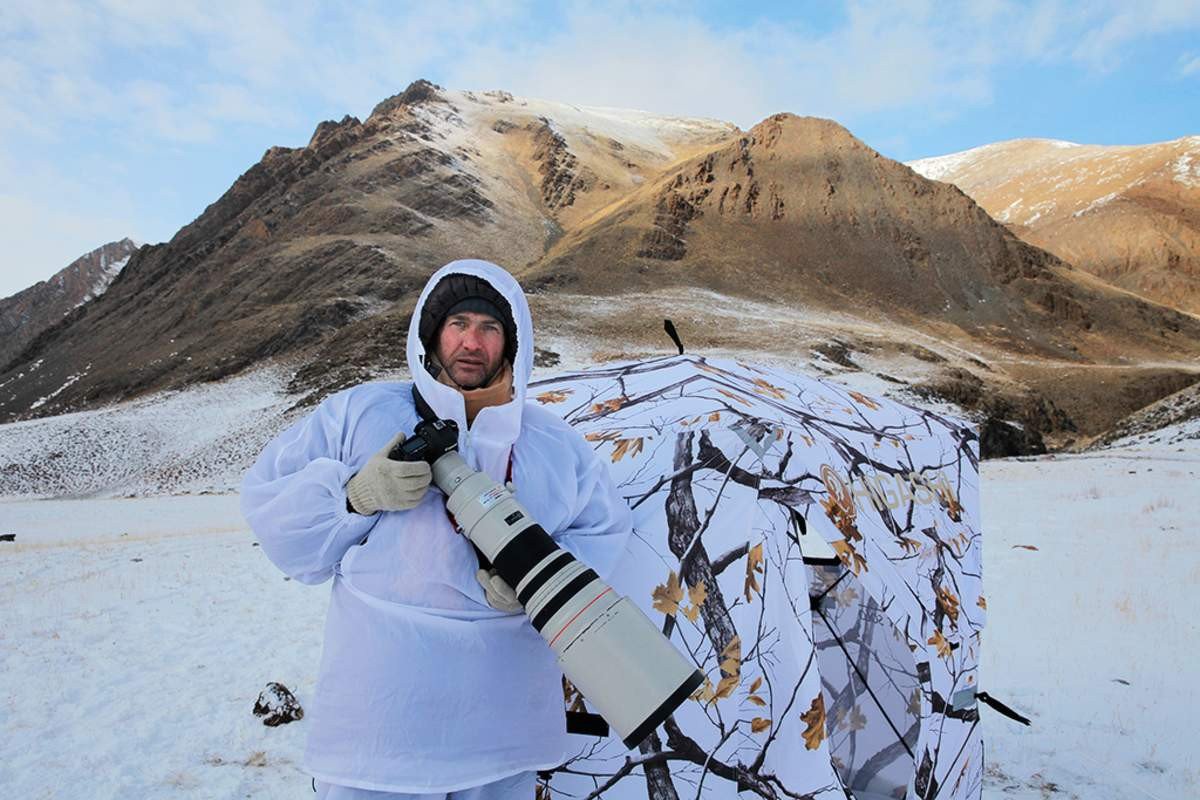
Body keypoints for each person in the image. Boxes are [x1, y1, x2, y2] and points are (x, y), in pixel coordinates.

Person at [241, 259, 632, 799]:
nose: (472, 341)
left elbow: (604, 532)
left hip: (502, 726)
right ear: (432, 334)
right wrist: (354, 497)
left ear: (511, 344)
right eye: (459, 324)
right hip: (380, 728)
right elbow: (270, 507)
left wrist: (535, 584)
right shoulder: (359, 413)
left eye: (490, 328)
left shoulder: (553, 445)